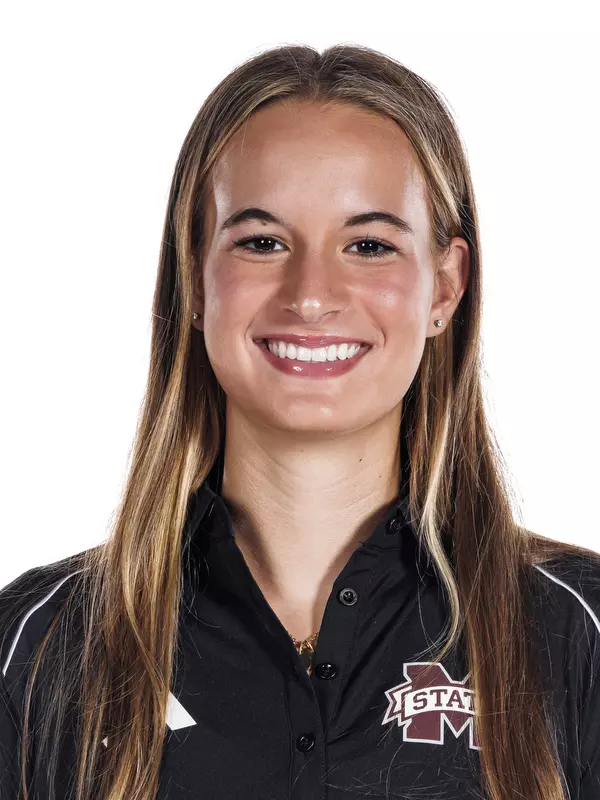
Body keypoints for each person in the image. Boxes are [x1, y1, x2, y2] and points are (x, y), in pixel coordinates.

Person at [1, 43, 599, 800]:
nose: (311, 295)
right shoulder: (39, 645)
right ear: (194, 275)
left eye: (369, 245)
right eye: (262, 242)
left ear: (445, 286)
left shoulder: (577, 632)